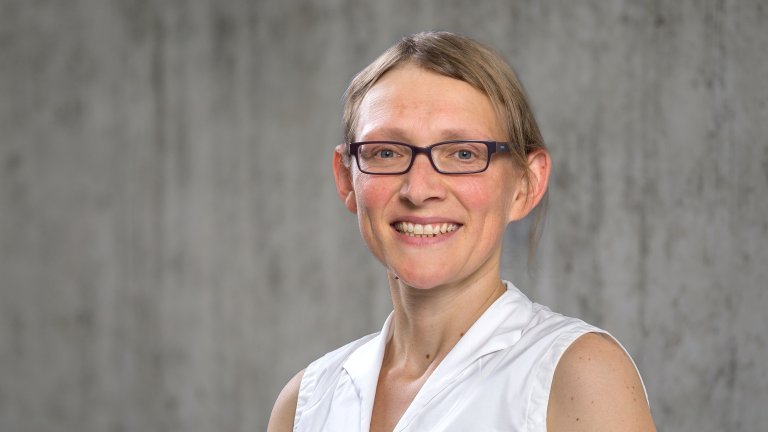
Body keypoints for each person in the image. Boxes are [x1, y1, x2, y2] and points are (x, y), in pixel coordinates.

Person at [268, 31, 656, 431]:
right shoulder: (305, 404)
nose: (419, 189)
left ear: (526, 185)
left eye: (463, 154)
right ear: (346, 179)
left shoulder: (579, 376)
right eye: (386, 152)